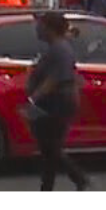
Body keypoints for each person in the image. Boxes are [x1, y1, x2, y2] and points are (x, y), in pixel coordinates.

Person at [25, 12, 90, 192]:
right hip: (55, 101)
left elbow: (54, 79)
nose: (37, 28)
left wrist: (33, 99)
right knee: (49, 148)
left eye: (41, 25)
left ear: (49, 28)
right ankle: (56, 185)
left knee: (50, 146)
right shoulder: (56, 47)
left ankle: (77, 178)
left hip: (57, 102)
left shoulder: (59, 49)